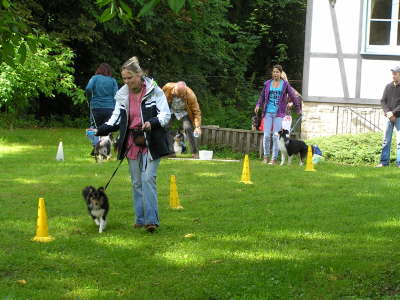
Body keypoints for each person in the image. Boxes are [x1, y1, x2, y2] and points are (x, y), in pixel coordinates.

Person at [89, 56, 171, 233]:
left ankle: (151, 221)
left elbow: (165, 115)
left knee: (148, 178)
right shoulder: (123, 94)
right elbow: (115, 119)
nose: (126, 82)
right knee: (136, 182)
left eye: (130, 78)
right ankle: (140, 219)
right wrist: (99, 130)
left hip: (152, 141)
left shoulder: (155, 91)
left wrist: (152, 123)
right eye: (124, 78)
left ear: (139, 74)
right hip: (132, 142)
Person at [254, 64, 302, 165]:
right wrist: (258, 104)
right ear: (272, 73)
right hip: (268, 113)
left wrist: (297, 108)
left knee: (276, 137)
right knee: (266, 136)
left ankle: (274, 159)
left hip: (279, 114)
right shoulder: (267, 84)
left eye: (277, 72)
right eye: (274, 72)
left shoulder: (285, 85)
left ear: (280, 73)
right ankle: (266, 157)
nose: (275, 73)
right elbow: (262, 96)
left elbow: (293, 96)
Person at [162, 81, 202, 158]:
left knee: (188, 128)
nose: (176, 95)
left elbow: (196, 111)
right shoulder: (167, 87)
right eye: (175, 93)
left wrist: (197, 127)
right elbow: (159, 96)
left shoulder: (191, 95)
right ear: (174, 88)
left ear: (184, 93)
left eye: (180, 95)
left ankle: (195, 152)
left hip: (184, 111)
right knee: (165, 127)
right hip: (171, 109)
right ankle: (170, 152)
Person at [85, 63, 118, 154]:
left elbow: (88, 89)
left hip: (96, 107)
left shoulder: (94, 78)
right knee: (106, 129)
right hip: (110, 108)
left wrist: (89, 100)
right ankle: (103, 150)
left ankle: (97, 146)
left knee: (93, 128)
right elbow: (116, 95)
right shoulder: (113, 81)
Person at [376, 66, 400, 168]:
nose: (393, 75)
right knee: (386, 140)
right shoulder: (388, 86)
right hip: (388, 117)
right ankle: (384, 162)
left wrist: (393, 113)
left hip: (399, 117)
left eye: (395, 73)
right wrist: (388, 113)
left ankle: (399, 163)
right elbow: (383, 101)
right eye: (393, 73)